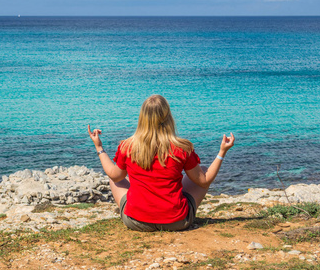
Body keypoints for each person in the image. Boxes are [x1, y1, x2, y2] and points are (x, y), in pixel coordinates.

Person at [88, 95, 235, 231]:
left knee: (116, 178)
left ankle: (139, 210)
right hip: (177, 222)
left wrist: (99, 147)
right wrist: (222, 152)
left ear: (142, 118)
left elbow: (115, 176)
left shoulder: (127, 146)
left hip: (136, 222)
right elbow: (204, 181)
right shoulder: (182, 148)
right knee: (202, 170)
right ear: (168, 117)